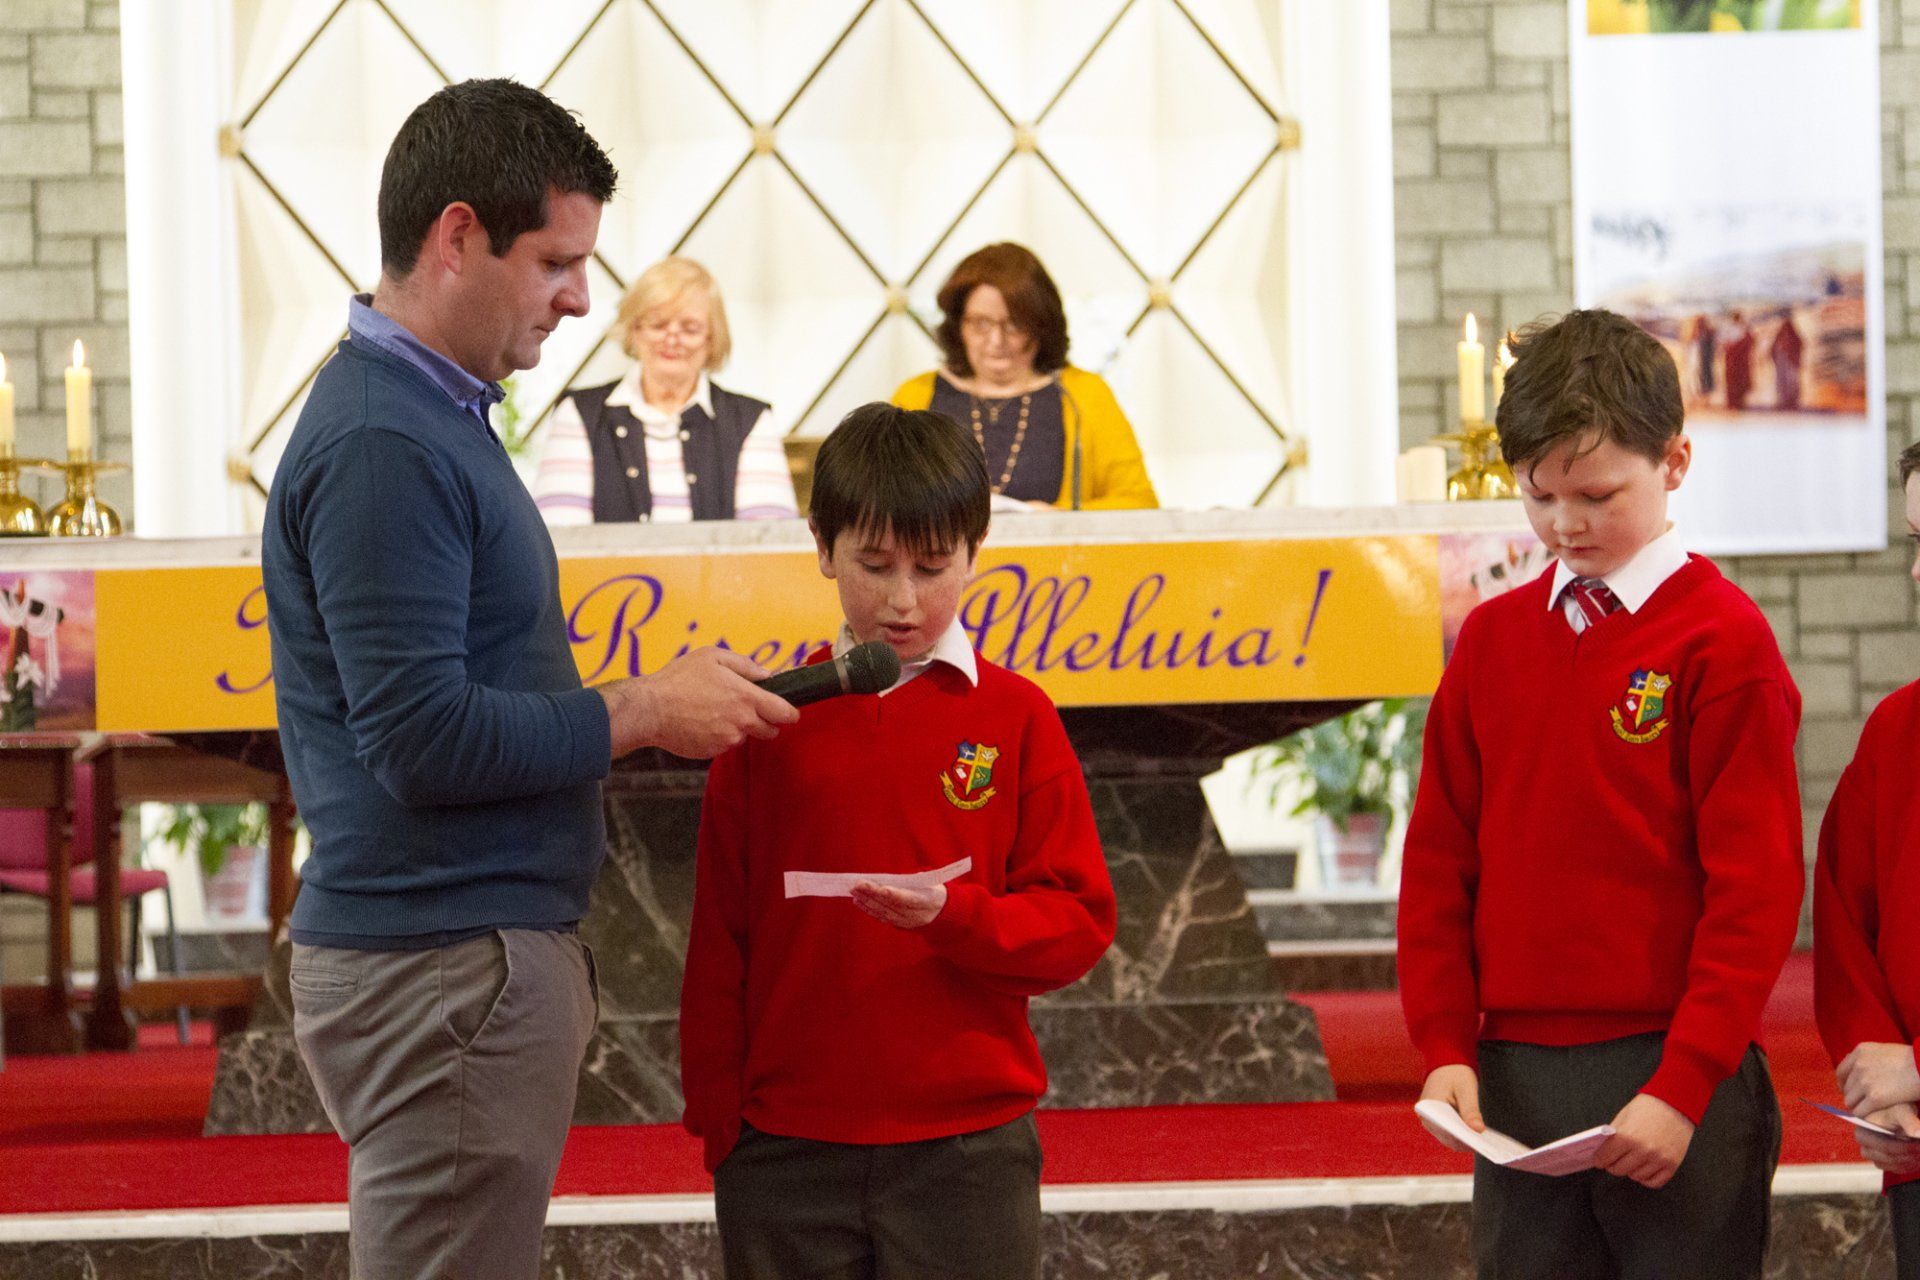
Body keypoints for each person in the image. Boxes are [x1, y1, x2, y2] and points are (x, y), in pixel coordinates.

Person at [261, 80, 798, 1280]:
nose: (582, 297)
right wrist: (644, 707)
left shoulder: (427, 411)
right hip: (443, 966)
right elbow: (422, 738)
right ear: (457, 237)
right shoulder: (384, 438)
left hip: (453, 963)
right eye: (556, 261)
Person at [1398, 308, 1803, 1279]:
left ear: (1675, 462)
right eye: (1538, 495)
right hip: (1515, 1074)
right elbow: (1441, 860)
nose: (1564, 523)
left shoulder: (1722, 641)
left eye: (1596, 493)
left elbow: (1755, 887)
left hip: (1673, 1067)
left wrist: (1686, 1080)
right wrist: (1445, 1045)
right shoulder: (1491, 641)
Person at [680, 402, 1118, 1280]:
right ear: (822, 546)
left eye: (932, 565)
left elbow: (1076, 924)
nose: (903, 599)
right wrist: (722, 1123)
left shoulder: (1015, 716)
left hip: (967, 1150)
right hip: (784, 1149)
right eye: (874, 566)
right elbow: (719, 943)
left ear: (976, 550)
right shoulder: (769, 722)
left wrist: (956, 916)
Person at [1813, 439, 1920, 1275]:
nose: (1917, 572)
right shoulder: (1897, 732)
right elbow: (1847, 928)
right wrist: (1884, 1092)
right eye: (1916, 543)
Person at [532, 256, 797, 525]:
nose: (672, 339)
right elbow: (561, 536)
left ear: (712, 338)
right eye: (658, 325)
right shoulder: (578, 413)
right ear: (634, 330)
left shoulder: (751, 420)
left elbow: (767, 538)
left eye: (690, 328)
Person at [892, 242, 1157, 511]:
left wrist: (1059, 519)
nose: (996, 341)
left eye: (1014, 325)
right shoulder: (914, 397)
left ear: (1042, 325)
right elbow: (883, 503)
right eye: (981, 324)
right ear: (958, 325)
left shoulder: (1084, 394)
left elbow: (1141, 504)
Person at [1770, 312, 1805, 411]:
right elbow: (1773, 349)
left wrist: (1792, 354)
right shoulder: (1779, 337)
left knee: (1792, 382)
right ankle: (1782, 402)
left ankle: (1792, 403)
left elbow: (1800, 345)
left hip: (1791, 363)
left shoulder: (1794, 337)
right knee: (1781, 383)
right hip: (1781, 364)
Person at [1722, 310, 1755, 410]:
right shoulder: (1729, 328)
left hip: (1740, 361)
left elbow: (1750, 340)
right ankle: (1732, 403)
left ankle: (1739, 403)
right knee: (1732, 382)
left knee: (1740, 382)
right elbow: (1725, 343)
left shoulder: (1743, 328)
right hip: (1732, 360)